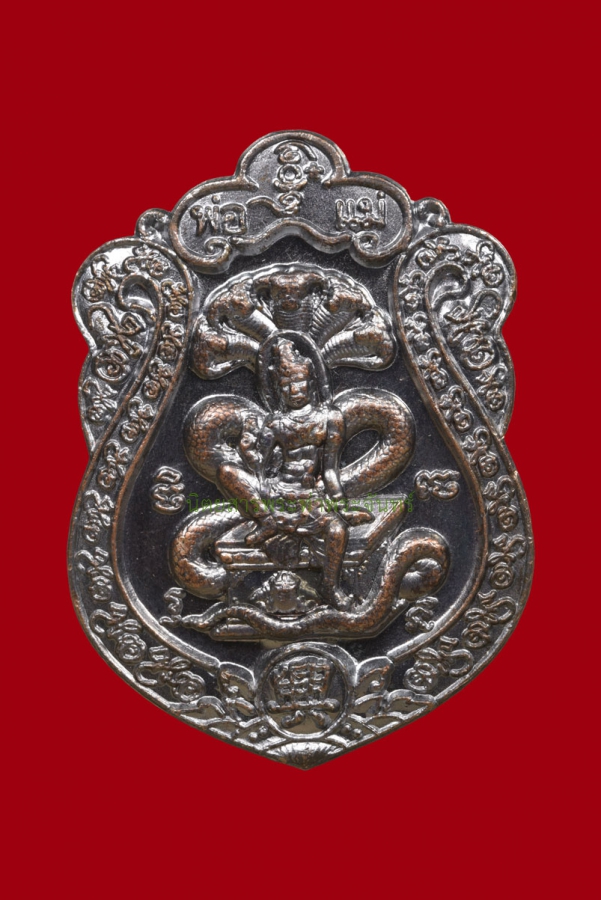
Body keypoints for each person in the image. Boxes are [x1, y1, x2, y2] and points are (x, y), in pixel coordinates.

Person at [243, 337, 371, 611]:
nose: (294, 390)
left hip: (309, 497)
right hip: (278, 494)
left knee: (337, 530)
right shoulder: (275, 423)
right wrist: (247, 448)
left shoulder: (329, 419)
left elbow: (330, 470)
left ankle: (330, 586)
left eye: (299, 382)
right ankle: (268, 521)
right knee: (228, 474)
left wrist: (342, 507)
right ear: (278, 389)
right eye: (286, 384)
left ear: (311, 382)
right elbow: (258, 467)